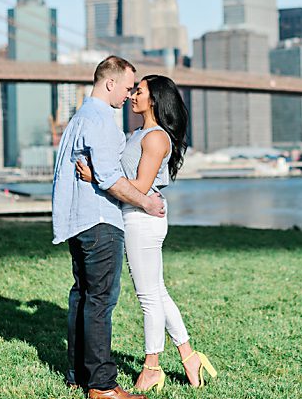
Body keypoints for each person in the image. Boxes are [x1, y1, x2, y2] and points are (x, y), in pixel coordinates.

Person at [77, 75, 218, 391]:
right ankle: (188, 355)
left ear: (154, 99)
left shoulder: (155, 138)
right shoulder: (137, 133)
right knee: (158, 291)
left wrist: (95, 178)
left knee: (147, 297)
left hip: (142, 218)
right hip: (135, 216)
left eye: (138, 91)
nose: (132, 95)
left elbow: (140, 187)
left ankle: (151, 366)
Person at [51, 56, 166, 399]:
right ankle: (102, 385)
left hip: (77, 220)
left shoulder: (79, 118)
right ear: (110, 83)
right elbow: (109, 177)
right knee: (101, 300)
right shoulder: (100, 120)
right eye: (128, 87)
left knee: (83, 297)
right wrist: (146, 202)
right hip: (100, 220)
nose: (129, 96)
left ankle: (77, 374)